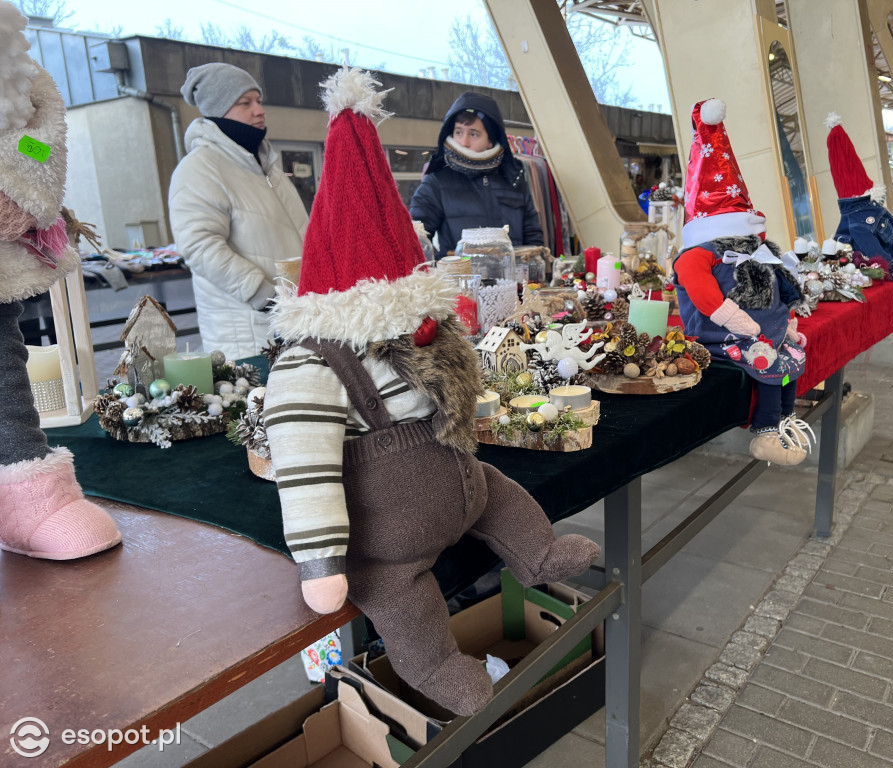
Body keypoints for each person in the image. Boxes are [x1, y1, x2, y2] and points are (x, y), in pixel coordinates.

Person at [263, 68, 599, 716]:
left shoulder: (419, 332)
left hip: (463, 489)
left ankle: (539, 553)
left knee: (500, 491)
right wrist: (321, 562)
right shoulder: (314, 365)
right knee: (401, 601)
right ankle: (440, 666)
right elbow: (303, 465)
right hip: (391, 548)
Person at [0, 1, 121, 560]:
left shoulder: (18, 68)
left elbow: (40, 138)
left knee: (4, 358)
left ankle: (28, 496)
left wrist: (18, 185)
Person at [672, 99, 811, 466]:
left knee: (788, 361)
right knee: (766, 361)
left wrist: (788, 323)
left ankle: (784, 418)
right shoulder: (698, 254)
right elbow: (703, 294)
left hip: (766, 329)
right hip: (723, 335)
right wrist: (740, 322)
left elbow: (778, 283)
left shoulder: (755, 248)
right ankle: (765, 431)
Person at [169, 63, 308, 361]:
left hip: (293, 321)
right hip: (248, 335)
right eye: (245, 103)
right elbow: (199, 245)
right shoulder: (200, 168)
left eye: (258, 101)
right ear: (219, 110)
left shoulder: (267, 167)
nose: (259, 110)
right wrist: (265, 295)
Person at [826, 114, 893, 347]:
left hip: (869, 265)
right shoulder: (862, 218)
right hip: (876, 266)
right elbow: (873, 250)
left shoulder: (864, 211)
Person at [409, 91, 543, 256]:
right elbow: (415, 238)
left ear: (491, 141)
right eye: (459, 132)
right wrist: (444, 265)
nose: (463, 142)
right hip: (459, 279)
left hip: (512, 279)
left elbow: (533, 235)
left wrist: (533, 269)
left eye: (473, 134)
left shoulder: (513, 177)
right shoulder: (437, 180)